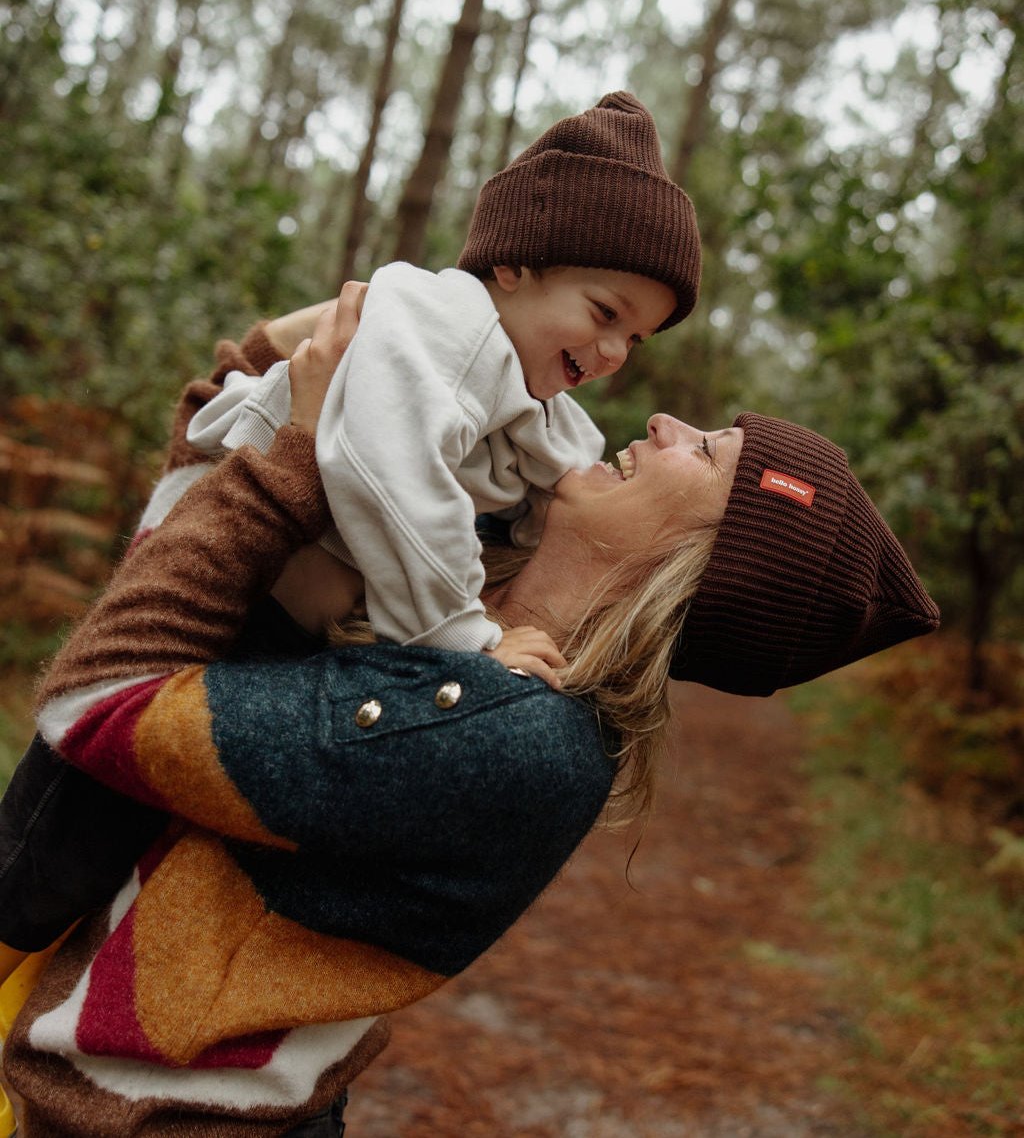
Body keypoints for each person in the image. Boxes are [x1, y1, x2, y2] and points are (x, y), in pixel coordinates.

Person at [1, 288, 939, 1135]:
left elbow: (101, 703)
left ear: (697, 567)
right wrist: (281, 362)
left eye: (705, 453)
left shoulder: (507, 733)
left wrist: (290, 463)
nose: (662, 419)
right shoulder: (453, 593)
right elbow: (199, 582)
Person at [186, 90, 701, 677]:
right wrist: (465, 635)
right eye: (607, 314)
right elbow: (396, 469)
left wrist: (559, 518)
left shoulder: (518, 369)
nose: (615, 354)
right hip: (217, 536)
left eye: (636, 338)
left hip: (269, 595)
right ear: (512, 266)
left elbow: (563, 456)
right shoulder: (447, 324)